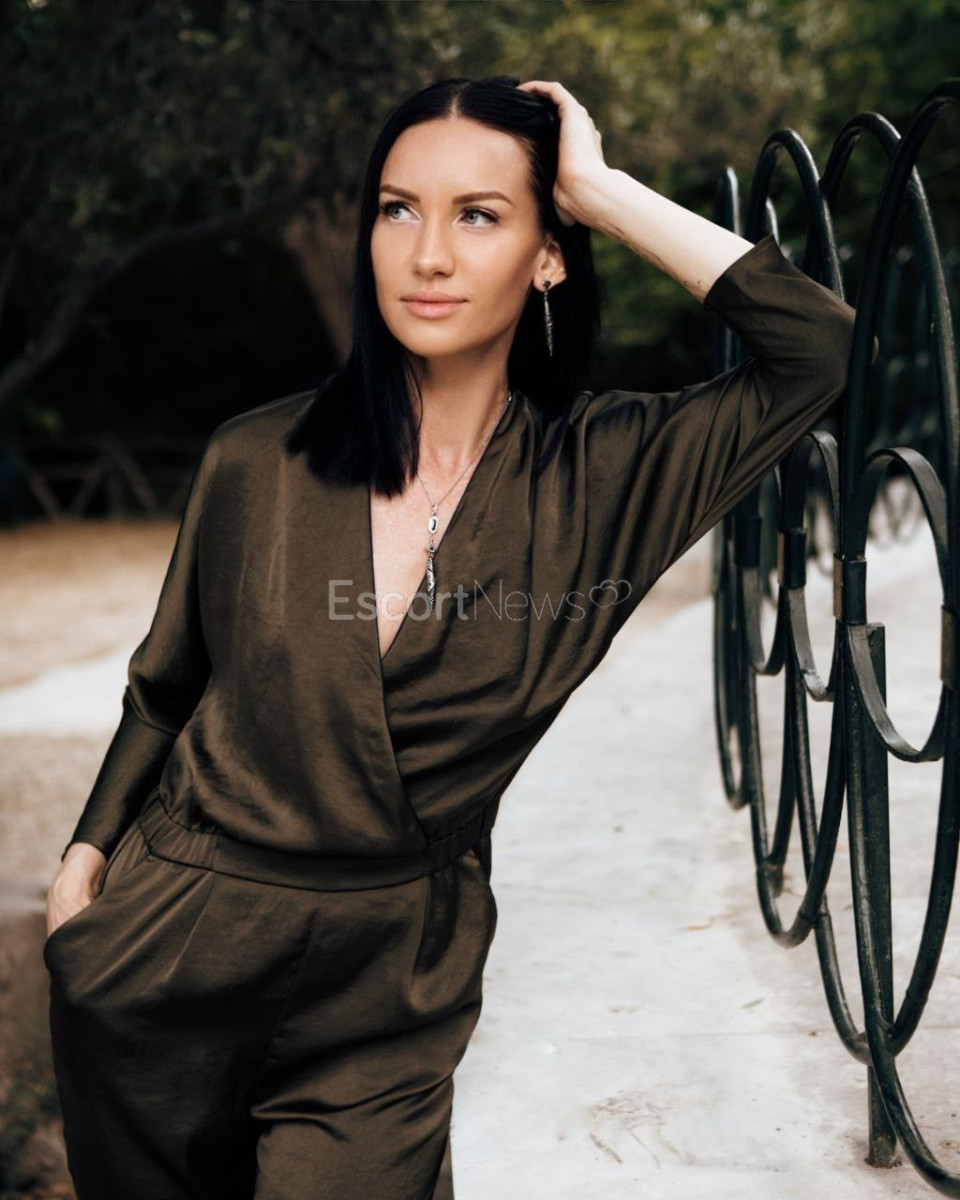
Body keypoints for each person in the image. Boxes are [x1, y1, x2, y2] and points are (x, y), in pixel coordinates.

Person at [42, 75, 877, 1200]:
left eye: (479, 215)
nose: (427, 254)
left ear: (550, 254)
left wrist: (601, 189)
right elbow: (166, 688)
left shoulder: (608, 474)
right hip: (170, 947)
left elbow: (819, 349)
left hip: (393, 979)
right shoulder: (255, 457)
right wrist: (85, 865)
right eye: (398, 209)